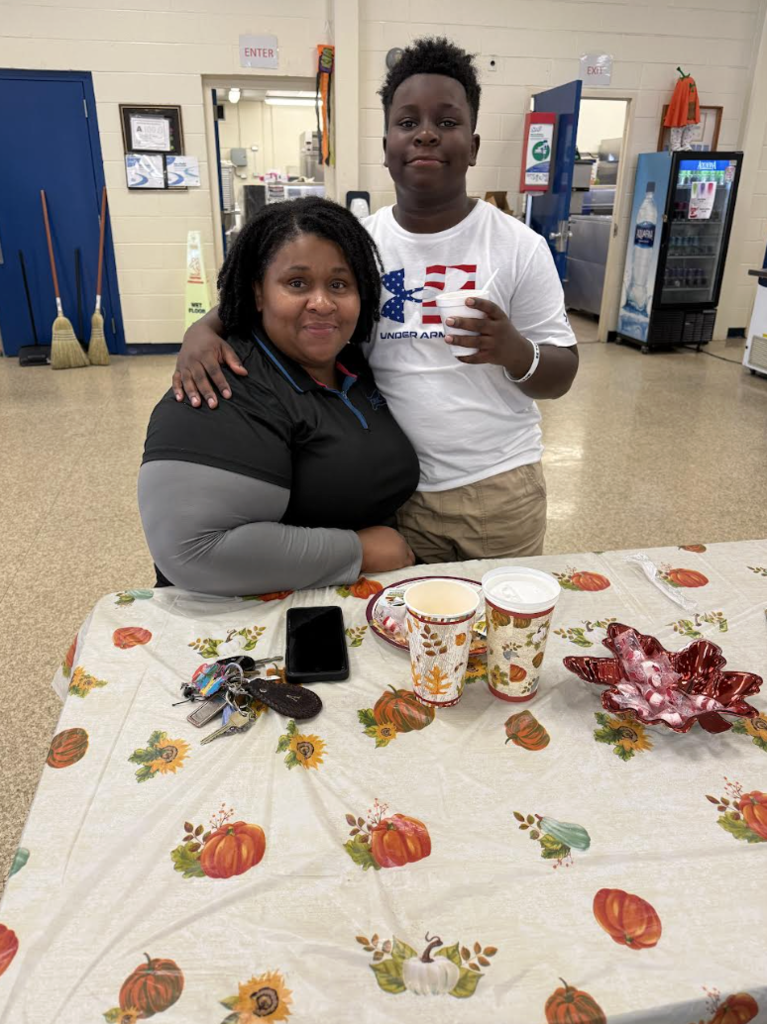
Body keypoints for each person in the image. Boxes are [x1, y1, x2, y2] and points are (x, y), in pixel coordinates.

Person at [172, 37, 579, 563]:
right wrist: (202, 329)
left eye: (447, 122)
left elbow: (563, 372)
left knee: (497, 634)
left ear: (474, 146)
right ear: (386, 145)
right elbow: (270, 293)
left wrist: (514, 350)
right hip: (390, 490)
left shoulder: (518, 245)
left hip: (499, 491)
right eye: (407, 123)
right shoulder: (358, 242)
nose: (426, 134)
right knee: (407, 635)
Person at [139, 197, 418, 596]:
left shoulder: (353, 364)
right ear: (258, 293)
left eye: (339, 285)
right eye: (297, 283)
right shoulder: (220, 382)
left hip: (353, 604)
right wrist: (360, 551)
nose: (322, 303)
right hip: (242, 624)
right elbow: (193, 551)